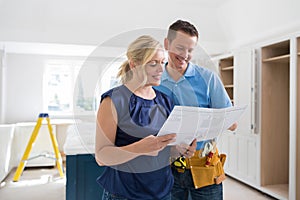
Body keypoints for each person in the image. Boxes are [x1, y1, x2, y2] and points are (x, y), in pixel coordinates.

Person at [95, 35, 195, 200]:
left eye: (162, 62)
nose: (161, 69)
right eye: (153, 63)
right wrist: (140, 148)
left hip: (163, 192)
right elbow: (101, 156)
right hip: (124, 194)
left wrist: (180, 150)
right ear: (134, 64)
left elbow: (163, 149)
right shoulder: (114, 100)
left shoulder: (165, 100)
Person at [155, 19, 238, 200]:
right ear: (167, 44)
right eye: (180, 48)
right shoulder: (154, 80)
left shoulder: (208, 79)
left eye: (190, 50)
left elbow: (231, 122)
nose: (185, 55)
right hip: (166, 168)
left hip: (204, 168)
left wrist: (225, 122)